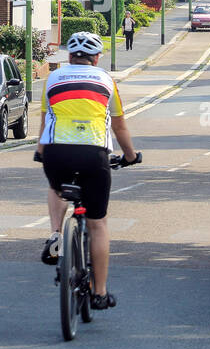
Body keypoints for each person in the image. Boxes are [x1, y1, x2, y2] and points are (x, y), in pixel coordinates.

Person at [35, 31, 140, 310]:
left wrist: (41, 152)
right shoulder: (107, 80)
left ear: (69, 56)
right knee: (98, 224)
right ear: (96, 58)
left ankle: (56, 235)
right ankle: (100, 293)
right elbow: (119, 127)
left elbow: (47, 122)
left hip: (57, 152)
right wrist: (130, 156)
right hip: (94, 154)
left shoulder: (52, 79)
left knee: (56, 187)